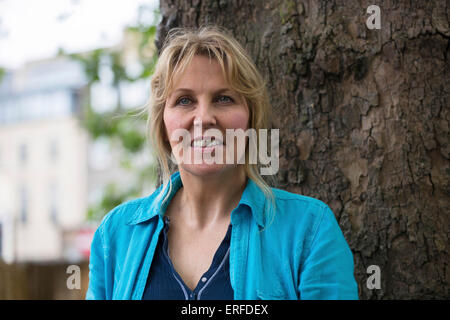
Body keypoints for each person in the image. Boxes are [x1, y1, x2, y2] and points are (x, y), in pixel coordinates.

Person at [86, 25, 358, 300]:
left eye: (224, 99)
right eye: (184, 100)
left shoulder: (309, 231)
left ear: (251, 120)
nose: (204, 118)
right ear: (162, 127)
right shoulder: (115, 236)